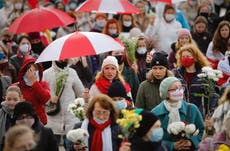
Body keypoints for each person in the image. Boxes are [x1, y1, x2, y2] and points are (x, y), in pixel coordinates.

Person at [152, 77, 204, 151]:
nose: (179, 91)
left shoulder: (192, 109)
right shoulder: (155, 113)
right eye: (174, 89)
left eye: (181, 88)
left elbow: (202, 130)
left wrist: (191, 142)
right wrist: (171, 145)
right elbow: (152, 138)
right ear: (166, 93)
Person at [43, 59, 84, 149]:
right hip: (52, 120)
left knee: (71, 148)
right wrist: (49, 99)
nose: (63, 58)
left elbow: (81, 93)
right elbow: (41, 95)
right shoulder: (46, 73)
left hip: (70, 120)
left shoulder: (72, 72)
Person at [173, 44, 214, 116]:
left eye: (188, 56)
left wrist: (209, 114)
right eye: (183, 57)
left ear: (195, 58)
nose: (185, 59)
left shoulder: (204, 75)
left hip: (198, 114)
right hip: (181, 114)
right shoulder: (176, 74)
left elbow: (211, 97)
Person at [18, 57, 50, 125]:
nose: (32, 75)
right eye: (30, 71)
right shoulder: (18, 86)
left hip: (40, 122)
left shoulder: (43, 84)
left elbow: (45, 99)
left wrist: (34, 83)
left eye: (35, 72)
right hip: (23, 122)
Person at [0, 86, 22, 151]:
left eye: (15, 100)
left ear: (20, 99)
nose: (11, 102)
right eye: (9, 99)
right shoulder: (0, 113)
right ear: (5, 98)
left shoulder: (26, 113)